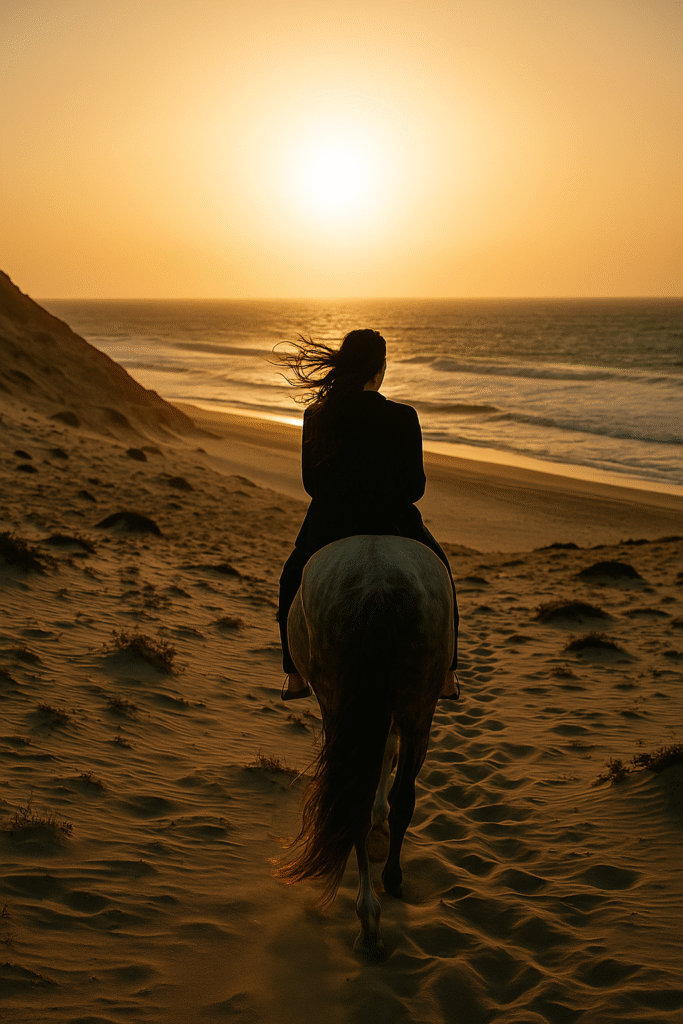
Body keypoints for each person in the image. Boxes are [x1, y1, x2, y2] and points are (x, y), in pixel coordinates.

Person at [276, 328, 459, 701]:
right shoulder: (403, 416)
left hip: (329, 522)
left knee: (291, 579)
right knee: (442, 572)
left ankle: (294, 675)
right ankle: (448, 674)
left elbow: (311, 484)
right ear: (379, 369)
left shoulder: (316, 415)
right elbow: (415, 489)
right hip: (394, 521)